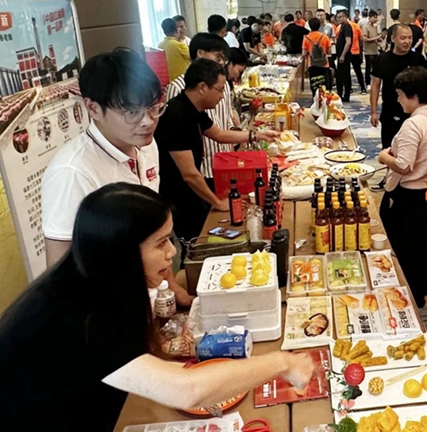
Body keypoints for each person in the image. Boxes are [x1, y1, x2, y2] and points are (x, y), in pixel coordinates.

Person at [0, 183, 316, 431]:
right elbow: (187, 390)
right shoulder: (80, 316)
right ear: (122, 251)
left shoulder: (94, 276)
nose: (172, 253)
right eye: (161, 242)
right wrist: (282, 363)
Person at [42, 50, 162, 267]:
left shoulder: (146, 145)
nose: (148, 121)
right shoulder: (71, 172)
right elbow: (59, 266)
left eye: (153, 107)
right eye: (132, 112)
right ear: (93, 108)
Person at [155, 60, 278, 240]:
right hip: (178, 195)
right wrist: (217, 203)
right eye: (220, 90)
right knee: (199, 237)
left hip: (191, 189)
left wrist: (257, 135)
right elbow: (190, 175)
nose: (222, 96)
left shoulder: (192, 108)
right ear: (202, 87)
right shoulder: (176, 115)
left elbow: (219, 134)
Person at [377, 67, 427, 308]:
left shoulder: (413, 124)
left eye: (400, 95)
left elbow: (404, 165)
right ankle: (416, 292)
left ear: (413, 96)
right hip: (426, 191)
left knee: (401, 245)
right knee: (419, 245)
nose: (398, 101)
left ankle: (402, 293)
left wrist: (384, 157)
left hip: (407, 194)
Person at [164, 33, 236, 188]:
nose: (221, 63)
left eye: (224, 60)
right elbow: (188, 171)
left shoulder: (221, 83)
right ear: (200, 53)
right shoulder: (177, 89)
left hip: (223, 162)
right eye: (218, 57)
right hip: (201, 171)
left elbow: (222, 127)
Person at [370, 24, 426, 148]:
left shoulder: (418, 59)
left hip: (413, 111)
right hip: (390, 108)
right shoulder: (382, 59)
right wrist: (373, 112)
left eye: (410, 38)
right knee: (389, 147)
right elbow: (375, 85)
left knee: (412, 147)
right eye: (403, 38)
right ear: (393, 38)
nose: (407, 41)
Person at [303, 17, 332, 93]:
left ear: (309, 26)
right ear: (319, 26)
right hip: (324, 65)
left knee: (315, 86)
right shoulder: (325, 37)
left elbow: (304, 53)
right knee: (325, 87)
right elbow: (329, 52)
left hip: (312, 64)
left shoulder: (306, 38)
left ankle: (315, 99)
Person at [335, 9, 354, 101]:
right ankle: (342, 94)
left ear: (346, 17)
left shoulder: (347, 27)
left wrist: (342, 55)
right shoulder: (342, 27)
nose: (339, 18)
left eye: (341, 16)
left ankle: (345, 95)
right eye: (337, 17)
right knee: (341, 75)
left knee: (344, 75)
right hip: (341, 54)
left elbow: (348, 42)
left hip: (345, 55)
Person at [363, 10, 382, 85]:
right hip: (368, 51)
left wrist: (379, 38)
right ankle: (367, 83)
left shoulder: (375, 26)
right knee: (368, 68)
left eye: (376, 17)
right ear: (370, 18)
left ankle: (375, 83)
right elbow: (365, 39)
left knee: (376, 68)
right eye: (374, 17)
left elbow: (378, 36)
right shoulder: (365, 27)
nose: (376, 19)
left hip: (375, 50)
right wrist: (376, 38)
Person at [349, 18, 367, 94]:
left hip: (349, 52)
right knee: (358, 71)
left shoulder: (340, 27)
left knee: (347, 71)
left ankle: (349, 88)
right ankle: (363, 88)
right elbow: (361, 38)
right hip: (355, 51)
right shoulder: (356, 26)